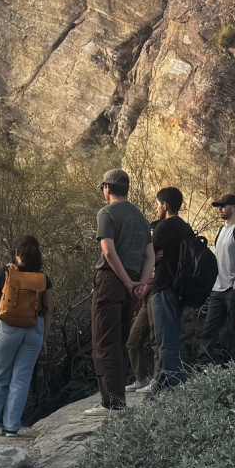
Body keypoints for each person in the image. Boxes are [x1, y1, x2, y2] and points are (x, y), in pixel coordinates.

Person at [90, 168, 153, 410]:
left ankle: (111, 403)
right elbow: (150, 256)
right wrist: (140, 285)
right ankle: (116, 400)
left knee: (104, 342)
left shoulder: (106, 213)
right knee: (120, 341)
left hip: (110, 282)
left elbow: (108, 251)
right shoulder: (140, 218)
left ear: (107, 189)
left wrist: (127, 282)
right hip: (133, 285)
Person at [0, 237, 52, 436]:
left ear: (17, 253)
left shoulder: (6, 272)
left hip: (9, 327)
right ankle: (11, 427)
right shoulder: (43, 279)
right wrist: (44, 339)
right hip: (34, 329)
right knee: (21, 379)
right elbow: (49, 310)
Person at [148, 186, 190, 393]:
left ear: (165, 205)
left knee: (165, 340)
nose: (157, 209)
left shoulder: (164, 227)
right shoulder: (185, 227)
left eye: (158, 205)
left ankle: (174, 389)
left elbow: (146, 252)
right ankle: (164, 386)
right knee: (171, 337)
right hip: (180, 288)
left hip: (163, 286)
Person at [202, 194, 235, 365]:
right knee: (208, 331)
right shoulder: (222, 230)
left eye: (224, 205)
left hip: (233, 290)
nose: (220, 209)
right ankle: (201, 371)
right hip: (217, 289)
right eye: (219, 206)